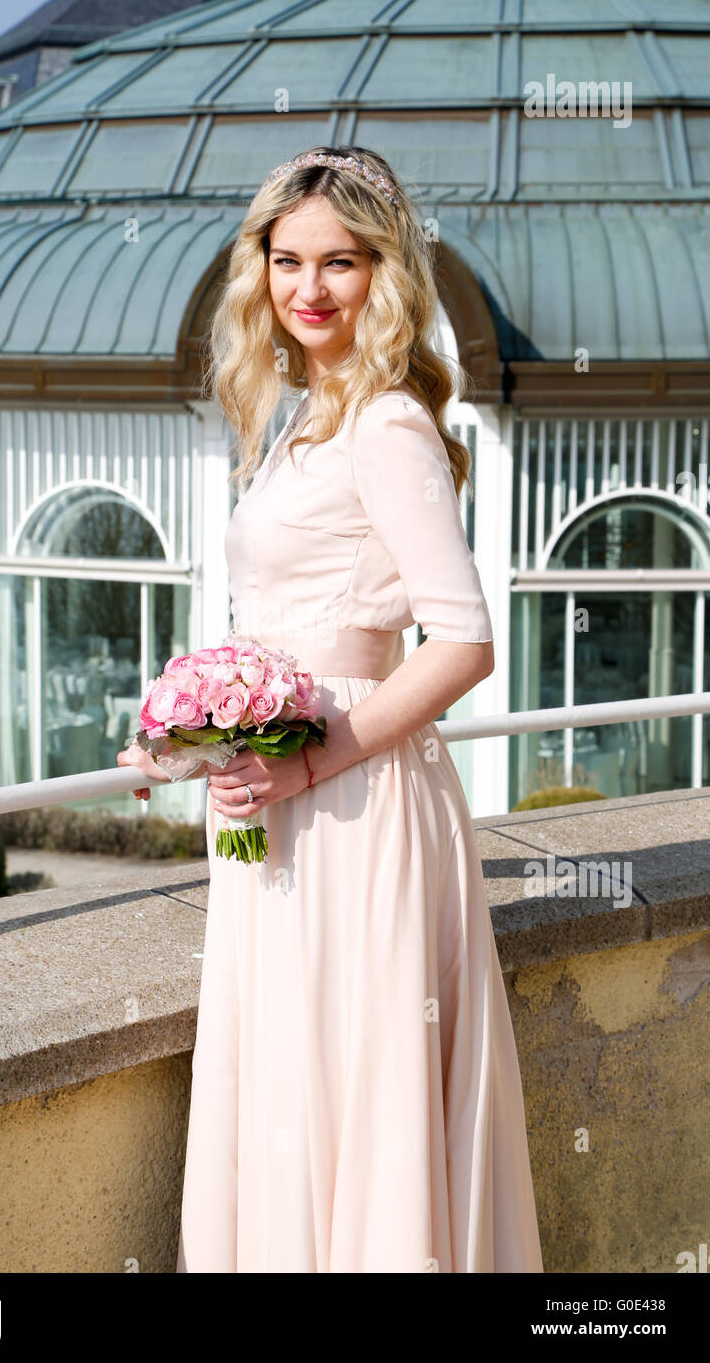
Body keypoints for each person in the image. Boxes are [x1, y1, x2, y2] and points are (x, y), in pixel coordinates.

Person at [118, 146, 543, 1273]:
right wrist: (189, 730)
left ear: (383, 273)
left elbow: (462, 642)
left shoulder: (388, 427)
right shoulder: (296, 419)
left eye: (340, 263)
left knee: (355, 1087)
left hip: (353, 805)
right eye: (287, 259)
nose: (308, 287)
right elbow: (282, 622)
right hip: (274, 799)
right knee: (287, 1087)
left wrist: (310, 763)